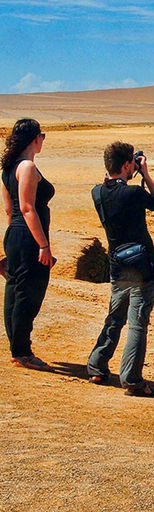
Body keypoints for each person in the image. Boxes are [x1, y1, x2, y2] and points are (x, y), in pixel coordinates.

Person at [87, 142, 154, 397]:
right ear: (125, 165)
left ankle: (97, 365)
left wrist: (130, 169)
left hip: (118, 265)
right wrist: (146, 174)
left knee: (115, 317)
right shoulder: (133, 194)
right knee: (137, 323)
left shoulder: (97, 193)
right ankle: (131, 379)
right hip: (143, 266)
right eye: (131, 163)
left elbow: (109, 184)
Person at [1, 119, 56, 371]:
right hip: (29, 238)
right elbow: (26, 207)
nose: (43, 139)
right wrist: (42, 245)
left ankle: (18, 347)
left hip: (16, 234)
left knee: (15, 290)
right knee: (28, 293)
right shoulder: (27, 167)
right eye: (41, 135)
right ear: (35, 138)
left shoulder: (8, 168)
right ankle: (22, 352)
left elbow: (8, 209)